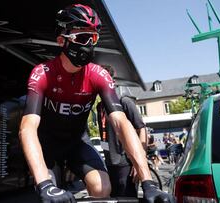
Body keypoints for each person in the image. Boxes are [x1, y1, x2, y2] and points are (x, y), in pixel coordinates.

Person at [19, 4, 174, 203]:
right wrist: (45, 185)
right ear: (61, 41)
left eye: (93, 38)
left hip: (77, 142)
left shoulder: (98, 74)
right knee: (49, 195)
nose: (89, 45)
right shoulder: (43, 73)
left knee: (102, 187)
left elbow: (121, 123)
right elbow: (27, 128)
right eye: (83, 37)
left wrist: (148, 182)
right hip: (47, 144)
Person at [97, 85, 147, 197]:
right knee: (114, 198)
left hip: (126, 163)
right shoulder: (100, 106)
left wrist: (139, 162)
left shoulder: (124, 101)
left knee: (127, 198)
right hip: (109, 163)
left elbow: (141, 128)